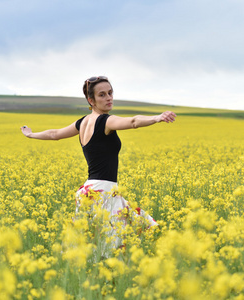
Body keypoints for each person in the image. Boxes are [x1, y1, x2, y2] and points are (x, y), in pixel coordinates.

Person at [21, 76, 176, 255]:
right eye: (102, 95)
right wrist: (158, 117)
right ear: (91, 100)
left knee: (102, 241)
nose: (109, 98)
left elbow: (55, 134)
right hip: (105, 192)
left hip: (90, 191)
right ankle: (112, 278)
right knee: (116, 244)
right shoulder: (105, 121)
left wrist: (31, 135)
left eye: (110, 93)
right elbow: (133, 122)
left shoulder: (82, 122)